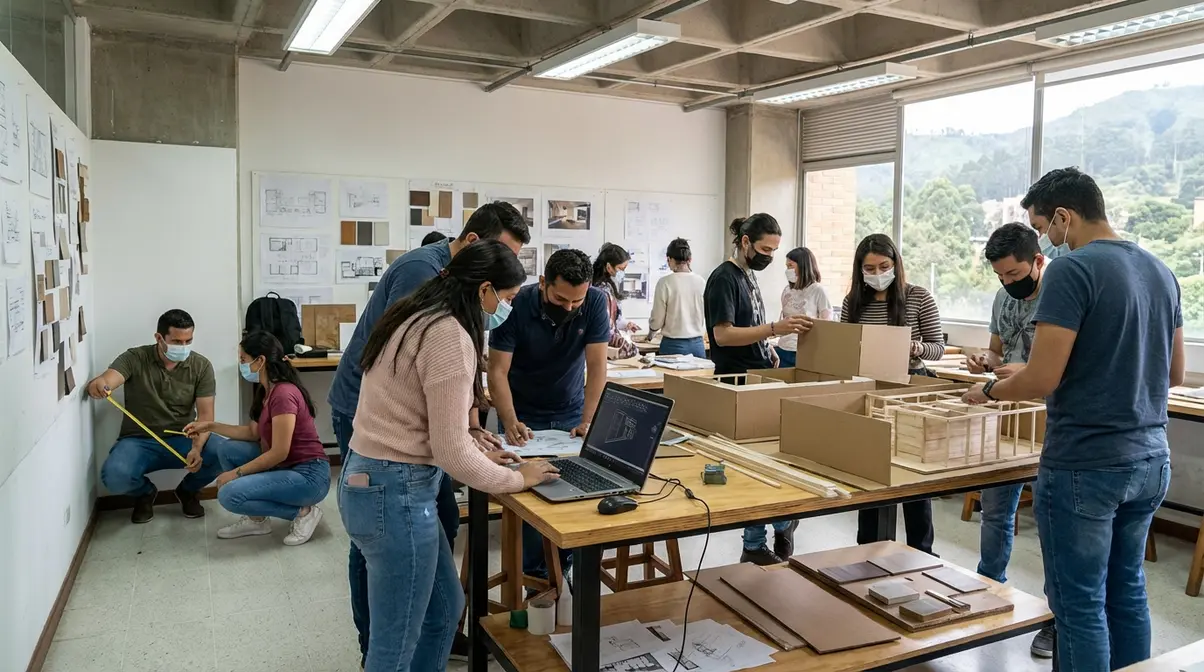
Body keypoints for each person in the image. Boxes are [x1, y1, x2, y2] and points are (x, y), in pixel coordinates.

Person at [963, 168, 1184, 671]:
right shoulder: (1160, 271)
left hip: (1086, 463)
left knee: (1078, 603)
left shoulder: (1070, 270)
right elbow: (1173, 373)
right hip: (1151, 458)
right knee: (1126, 588)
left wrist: (990, 389)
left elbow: (1042, 379)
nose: (1045, 238)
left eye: (1043, 227)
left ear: (1064, 216)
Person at [342, 239, 560, 672]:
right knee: (394, 644)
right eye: (507, 298)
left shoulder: (415, 315)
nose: (506, 309)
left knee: (444, 611)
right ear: (484, 290)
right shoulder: (448, 335)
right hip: (396, 492)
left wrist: (473, 443)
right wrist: (520, 479)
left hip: (373, 480)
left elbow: (418, 416)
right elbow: (450, 454)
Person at [489, 248, 610, 583]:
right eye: (560, 299)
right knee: (532, 497)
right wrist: (510, 420)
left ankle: (568, 567)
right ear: (543, 282)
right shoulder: (516, 305)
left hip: (571, 410)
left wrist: (588, 420)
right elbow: (497, 371)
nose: (569, 308)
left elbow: (597, 367)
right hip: (523, 414)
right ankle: (537, 578)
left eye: (576, 301)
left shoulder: (596, 302)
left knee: (579, 489)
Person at [965, 222, 1054, 658]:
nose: (1007, 283)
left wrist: (1027, 371)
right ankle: (990, 589)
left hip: (1051, 418)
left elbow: (1063, 364)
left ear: (1037, 260)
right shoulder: (1003, 297)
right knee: (996, 510)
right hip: (1006, 414)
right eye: (1000, 276)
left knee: (1054, 523)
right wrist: (986, 361)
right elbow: (998, 351)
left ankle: (1055, 617)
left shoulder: (1060, 293)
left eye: (1014, 274)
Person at [705, 214, 811, 565]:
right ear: (746, 242)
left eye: (774, 251)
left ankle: (779, 523)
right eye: (765, 249)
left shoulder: (747, 275)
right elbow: (723, 335)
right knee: (749, 468)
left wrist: (767, 347)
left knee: (767, 464)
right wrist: (774, 330)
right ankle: (756, 541)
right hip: (735, 381)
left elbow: (750, 325)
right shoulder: (724, 278)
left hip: (756, 375)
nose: (770, 257)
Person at [842, 233, 944, 554]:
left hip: (909, 390)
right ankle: (869, 548)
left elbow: (938, 347)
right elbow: (844, 348)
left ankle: (920, 551)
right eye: (869, 269)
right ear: (860, 270)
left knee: (913, 474)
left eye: (884, 267)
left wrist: (914, 347)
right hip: (869, 391)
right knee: (870, 472)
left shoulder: (918, 297)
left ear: (896, 265)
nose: (877, 274)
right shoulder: (852, 302)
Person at [182, 331, 330, 546]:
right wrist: (209, 425)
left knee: (228, 494)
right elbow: (252, 434)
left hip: (310, 476)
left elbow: (279, 452)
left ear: (260, 360)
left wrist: (235, 474)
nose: (241, 365)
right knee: (226, 449)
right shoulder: (266, 391)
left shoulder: (283, 394)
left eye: (243, 359)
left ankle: (303, 513)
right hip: (287, 467)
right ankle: (257, 520)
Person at [90, 309, 220, 524]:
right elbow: (108, 379)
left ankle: (188, 491)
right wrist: (100, 384)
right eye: (177, 341)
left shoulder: (201, 366)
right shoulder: (135, 358)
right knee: (114, 476)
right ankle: (145, 494)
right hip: (139, 441)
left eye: (188, 341)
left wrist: (197, 448)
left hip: (183, 438)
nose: (183, 347)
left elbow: (206, 417)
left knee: (224, 452)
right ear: (159, 338)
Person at [647, 237, 707, 358]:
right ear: (690, 259)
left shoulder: (665, 283)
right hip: (698, 345)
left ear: (669, 259)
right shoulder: (701, 282)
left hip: (673, 345)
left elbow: (658, 319)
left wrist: (650, 334)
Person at [775, 246, 833, 368]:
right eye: (787, 266)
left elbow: (827, 324)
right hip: (783, 348)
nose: (788, 270)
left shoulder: (818, 290)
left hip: (804, 350)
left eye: (791, 266)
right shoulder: (787, 290)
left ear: (803, 266)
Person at [593, 242, 640, 359]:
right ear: (609, 267)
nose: (622, 272)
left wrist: (626, 324)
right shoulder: (602, 292)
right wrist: (625, 345)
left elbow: (612, 319)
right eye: (621, 268)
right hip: (605, 348)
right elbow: (605, 328)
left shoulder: (606, 287)